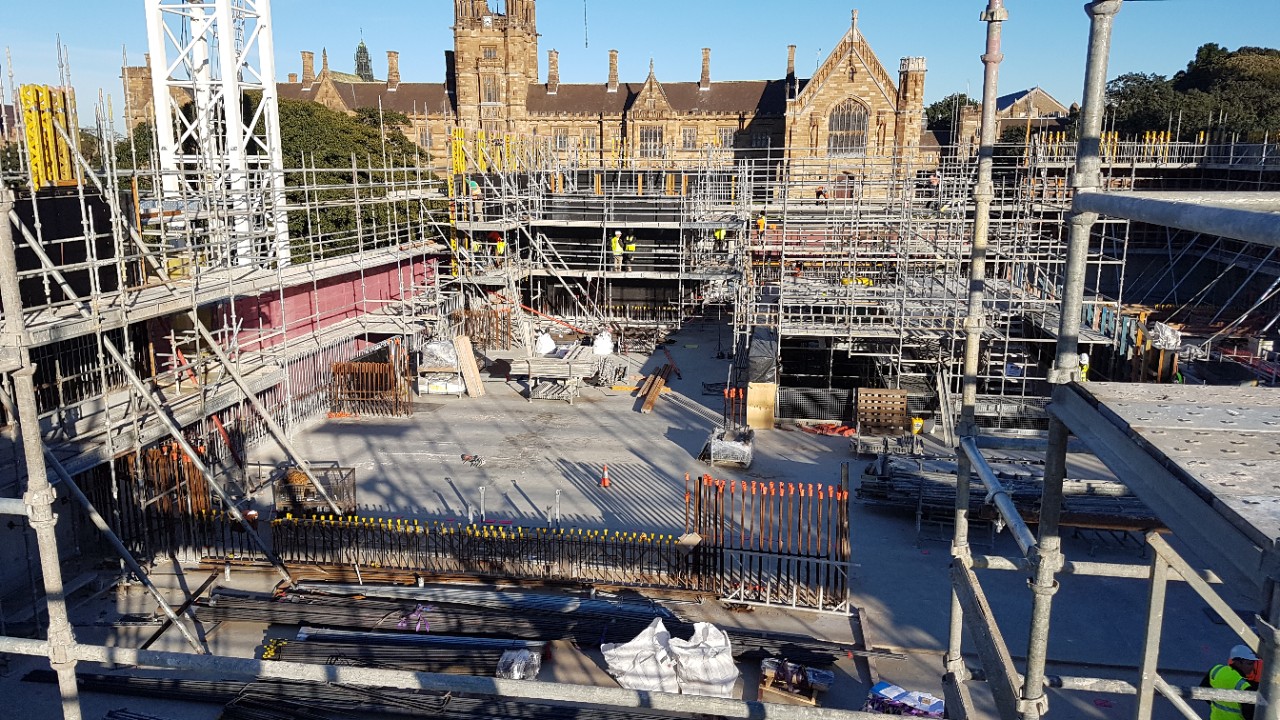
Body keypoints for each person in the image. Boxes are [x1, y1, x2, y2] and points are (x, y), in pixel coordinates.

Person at [1202, 645, 1258, 720]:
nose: (1252, 667)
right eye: (1249, 664)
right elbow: (1250, 715)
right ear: (1238, 663)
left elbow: (1203, 691)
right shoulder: (1244, 686)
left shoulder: (1216, 670)